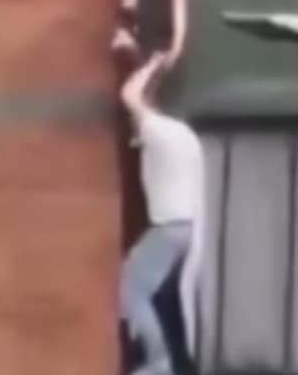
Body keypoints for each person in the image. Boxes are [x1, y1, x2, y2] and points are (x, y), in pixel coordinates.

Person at [119, 51, 205, 375]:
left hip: (168, 227)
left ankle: (158, 363)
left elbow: (129, 96)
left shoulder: (158, 130)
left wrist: (153, 63)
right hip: (186, 229)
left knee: (130, 286)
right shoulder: (186, 136)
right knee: (163, 297)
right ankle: (178, 361)